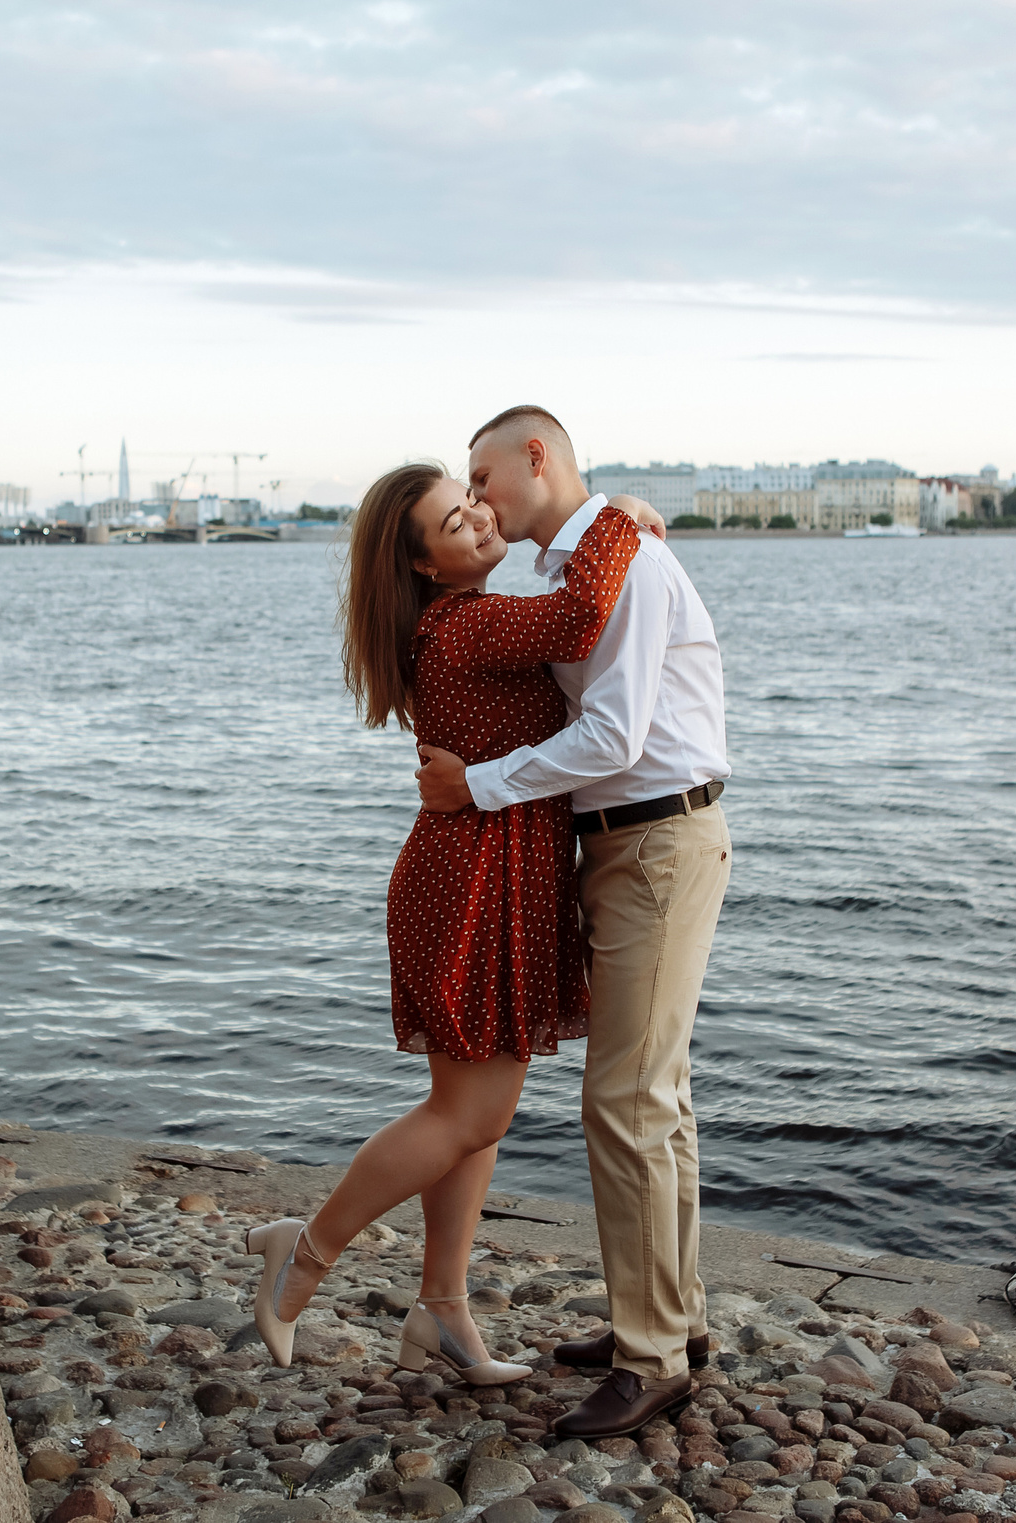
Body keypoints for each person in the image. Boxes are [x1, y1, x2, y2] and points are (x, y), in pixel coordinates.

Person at [241, 463, 663, 1383]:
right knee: (472, 1109)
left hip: (479, 876)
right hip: (472, 884)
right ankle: (301, 1254)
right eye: (451, 518)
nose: (476, 516)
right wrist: (620, 517)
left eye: (472, 499)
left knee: (473, 1120)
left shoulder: (455, 622)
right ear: (427, 564)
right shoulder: (470, 622)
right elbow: (580, 616)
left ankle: (442, 1311)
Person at [414, 405, 732, 1442]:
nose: (477, 497)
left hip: (655, 844)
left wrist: (480, 788)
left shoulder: (622, 559)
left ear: (534, 458)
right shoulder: (570, 568)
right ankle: (669, 1325)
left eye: (482, 475)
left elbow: (613, 732)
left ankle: (651, 1359)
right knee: (658, 1101)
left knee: (628, 1102)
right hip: (629, 847)